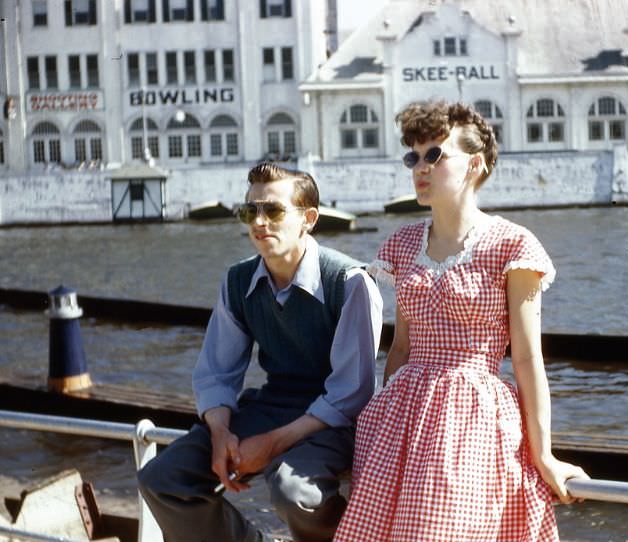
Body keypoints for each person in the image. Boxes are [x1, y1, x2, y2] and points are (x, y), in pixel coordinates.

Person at [334, 101, 588, 541]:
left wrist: (543, 453)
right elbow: (400, 349)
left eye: (435, 154)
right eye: (413, 156)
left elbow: (527, 359)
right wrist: (379, 432)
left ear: (475, 164)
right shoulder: (403, 243)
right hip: (401, 416)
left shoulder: (512, 245)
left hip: (472, 414)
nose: (420, 167)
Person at [137, 162, 383, 542]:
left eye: (273, 210)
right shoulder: (237, 281)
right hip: (273, 405)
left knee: (294, 494)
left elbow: (351, 393)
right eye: (250, 210)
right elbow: (216, 373)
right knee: (163, 477)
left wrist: (269, 444)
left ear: (309, 219)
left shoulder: (350, 283)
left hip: (337, 420)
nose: (259, 221)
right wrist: (220, 433)